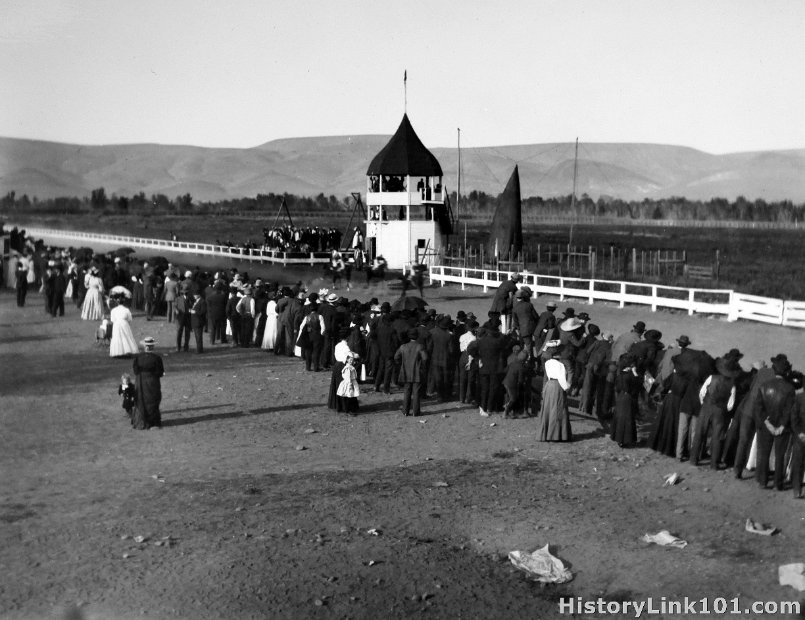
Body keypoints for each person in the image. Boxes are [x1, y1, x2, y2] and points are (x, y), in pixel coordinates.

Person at [538, 343, 572, 441]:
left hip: (549, 386)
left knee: (548, 409)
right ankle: (556, 435)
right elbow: (562, 379)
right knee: (558, 409)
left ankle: (546, 434)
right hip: (557, 386)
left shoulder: (547, 363)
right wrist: (567, 387)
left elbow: (547, 376)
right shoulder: (560, 365)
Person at [131, 337, 164, 430]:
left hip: (141, 381)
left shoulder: (138, 358)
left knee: (141, 400)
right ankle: (153, 423)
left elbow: (136, 371)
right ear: (152, 346)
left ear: (144, 346)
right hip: (152, 382)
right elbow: (160, 372)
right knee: (153, 400)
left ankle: (141, 421)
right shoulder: (157, 358)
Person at [394, 328, 428, 416]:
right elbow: (425, 358)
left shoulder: (403, 346)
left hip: (406, 372)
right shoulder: (420, 346)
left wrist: (401, 364)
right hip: (417, 372)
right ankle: (416, 412)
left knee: (407, 391)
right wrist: (422, 366)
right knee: (416, 392)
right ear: (417, 336)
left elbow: (396, 357)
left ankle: (405, 411)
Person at [611, 353, 641, 448]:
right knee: (627, 419)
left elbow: (617, 388)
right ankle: (625, 439)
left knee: (620, 418)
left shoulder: (619, 375)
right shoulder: (630, 376)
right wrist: (635, 373)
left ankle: (619, 439)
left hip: (620, 397)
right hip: (628, 398)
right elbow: (638, 386)